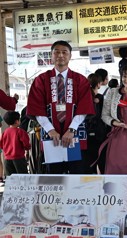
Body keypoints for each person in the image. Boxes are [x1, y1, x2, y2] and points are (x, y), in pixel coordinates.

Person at [26, 40, 95, 174]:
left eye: (64, 52)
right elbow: (36, 108)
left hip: (74, 135)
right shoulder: (41, 80)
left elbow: (84, 107)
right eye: (56, 52)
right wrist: (50, 130)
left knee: (77, 175)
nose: (60, 55)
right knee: (55, 178)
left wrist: (71, 129)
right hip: (51, 137)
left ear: (70, 56)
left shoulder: (80, 80)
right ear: (51, 56)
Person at [84, 73, 107, 174]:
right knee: (102, 161)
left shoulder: (84, 99)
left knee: (89, 163)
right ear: (98, 84)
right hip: (100, 134)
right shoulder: (101, 98)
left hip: (86, 135)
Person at [0, 111, 31, 177]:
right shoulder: (20, 132)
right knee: (23, 178)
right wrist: (28, 148)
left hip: (7, 159)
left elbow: (1, 145)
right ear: (17, 121)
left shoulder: (5, 132)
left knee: (11, 179)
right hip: (19, 159)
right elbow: (26, 144)